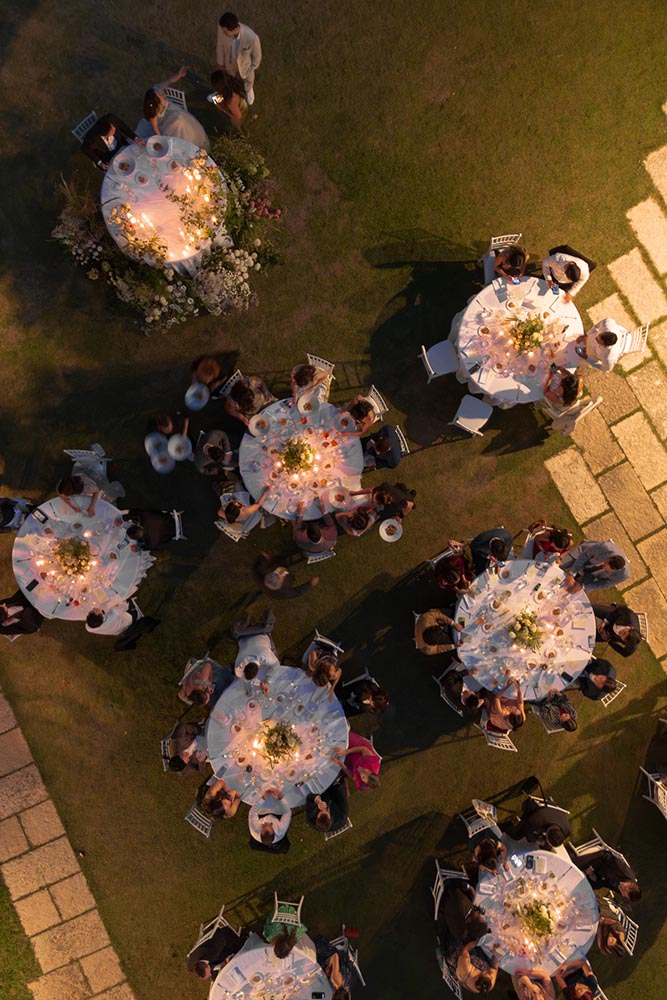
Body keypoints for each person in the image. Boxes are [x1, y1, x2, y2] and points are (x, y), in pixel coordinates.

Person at [141, 68, 210, 151]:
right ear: (156, 101)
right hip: (167, 123)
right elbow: (155, 129)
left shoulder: (156, 89)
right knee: (179, 123)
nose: (162, 94)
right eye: (160, 95)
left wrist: (179, 75)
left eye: (160, 93)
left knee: (182, 120)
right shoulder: (153, 113)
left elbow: (169, 81)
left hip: (173, 111)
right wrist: (162, 142)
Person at [216, 11, 262, 106]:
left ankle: (248, 89)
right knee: (229, 78)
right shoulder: (223, 30)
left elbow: (257, 57)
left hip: (245, 65)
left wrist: (251, 68)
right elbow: (220, 45)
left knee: (249, 78)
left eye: (225, 32)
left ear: (233, 29)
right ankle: (229, 91)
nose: (223, 33)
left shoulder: (251, 38)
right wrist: (221, 62)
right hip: (230, 62)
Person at [575, 846, 641, 903]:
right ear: (629, 885)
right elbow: (606, 855)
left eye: (623, 895)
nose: (621, 891)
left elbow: (608, 884)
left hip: (601, 874)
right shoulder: (624, 871)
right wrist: (591, 868)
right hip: (599, 860)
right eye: (623, 890)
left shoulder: (625, 891)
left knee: (586, 887)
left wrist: (596, 879)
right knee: (576, 867)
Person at [559, 540, 630, 591]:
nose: (604, 565)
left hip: (592, 575)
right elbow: (584, 556)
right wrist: (572, 573)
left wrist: (583, 586)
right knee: (559, 565)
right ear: (610, 557)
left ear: (615, 570)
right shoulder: (604, 547)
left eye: (607, 568)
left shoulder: (622, 575)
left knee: (576, 591)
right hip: (582, 553)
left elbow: (605, 584)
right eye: (606, 562)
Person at [233, 610, 280, 678]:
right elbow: (239, 675)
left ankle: (268, 618)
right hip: (243, 635)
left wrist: (268, 681)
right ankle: (245, 621)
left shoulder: (265, 656)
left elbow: (276, 665)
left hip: (260, 633)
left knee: (275, 655)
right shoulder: (239, 664)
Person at [253, 552, 320, 600]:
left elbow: (256, 567)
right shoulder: (283, 592)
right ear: (280, 584)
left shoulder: (263, 570)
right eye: (281, 576)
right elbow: (297, 591)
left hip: (277, 563)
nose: (281, 571)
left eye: (276, 572)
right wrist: (311, 584)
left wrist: (264, 558)